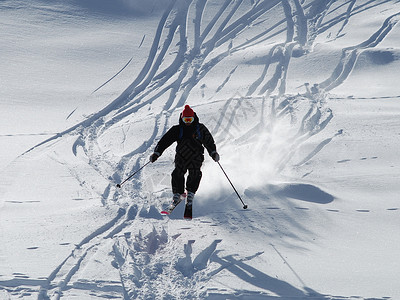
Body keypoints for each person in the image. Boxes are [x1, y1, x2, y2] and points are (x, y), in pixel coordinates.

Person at [149, 105, 219, 206]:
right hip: (181, 156)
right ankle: (178, 193)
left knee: (195, 173)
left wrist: (213, 152)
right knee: (177, 173)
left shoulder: (200, 128)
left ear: (193, 118)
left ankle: (190, 192)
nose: (188, 122)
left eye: (190, 119)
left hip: (196, 156)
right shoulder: (177, 129)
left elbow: (209, 141)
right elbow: (165, 141)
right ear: (182, 118)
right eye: (186, 119)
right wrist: (157, 153)